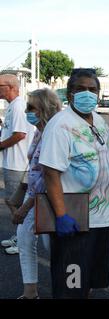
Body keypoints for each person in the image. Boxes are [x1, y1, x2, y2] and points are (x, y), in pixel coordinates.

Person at [39, 68, 109, 298]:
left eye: (92, 89)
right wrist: (61, 215)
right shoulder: (60, 125)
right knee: (70, 285)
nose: (87, 94)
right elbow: (50, 173)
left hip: (100, 220)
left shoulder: (100, 121)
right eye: (80, 89)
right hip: (74, 221)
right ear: (70, 93)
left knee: (88, 281)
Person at [10, 88, 61, 299]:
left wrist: (24, 206)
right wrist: (20, 191)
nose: (27, 112)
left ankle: (70, 287)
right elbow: (32, 166)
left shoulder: (54, 133)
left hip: (48, 200)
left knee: (54, 247)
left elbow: (47, 176)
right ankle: (30, 292)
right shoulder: (39, 131)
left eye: (31, 107)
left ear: (44, 108)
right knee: (24, 239)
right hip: (34, 197)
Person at [0, 74, 35, 255]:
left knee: (18, 205)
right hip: (12, 162)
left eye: (0, 85)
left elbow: (20, 134)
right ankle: (19, 236)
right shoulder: (13, 106)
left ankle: (24, 242)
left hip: (18, 163)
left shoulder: (19, 106)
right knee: (14, 203)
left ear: (11, 87)